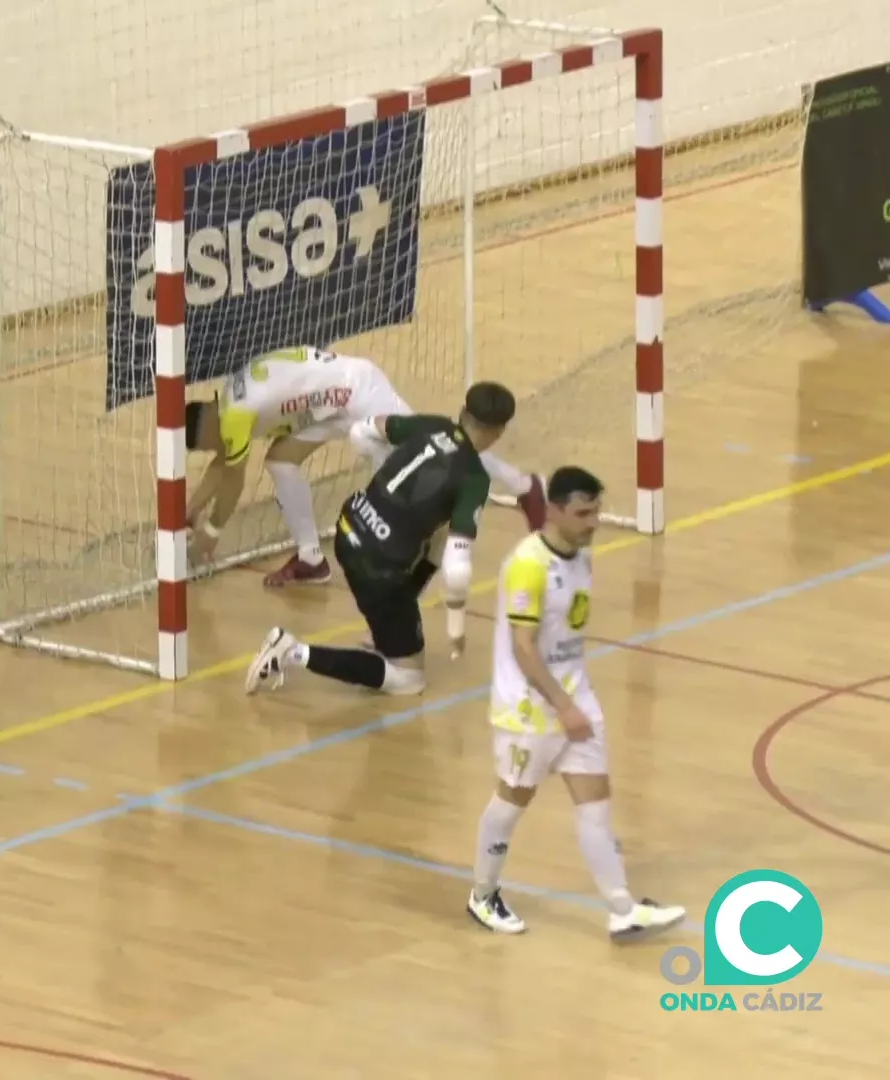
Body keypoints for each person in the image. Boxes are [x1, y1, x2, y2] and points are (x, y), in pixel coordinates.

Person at [460, 466, 686, 939]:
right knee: (513, 799)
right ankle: (482, 895)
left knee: (595, 803)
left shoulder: (581, 557)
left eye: (596, 511)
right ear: (555, 510)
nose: (593, 523)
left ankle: (622, 908)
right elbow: (524, 649)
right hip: (529, 709)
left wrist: (573, 703)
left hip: (575, 699)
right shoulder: (528, 565)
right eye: (583, 514)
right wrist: (563, 706)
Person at [243, 382, 520, 699]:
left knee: (438, 537)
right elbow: (457, 566)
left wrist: (386, 474)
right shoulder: (474, 478)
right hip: (378, 566)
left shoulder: (433, 425)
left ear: (462, 412)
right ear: (499, 432)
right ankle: (293, 652)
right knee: (409, 679)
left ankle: (385, 627)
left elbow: (361, 432)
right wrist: (456, 616)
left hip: (348, 530)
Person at [185, 345, 546, 587]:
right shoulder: (228, 399)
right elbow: (223, 464)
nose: (213, 449)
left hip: (358, 391)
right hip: (327, 406)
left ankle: (525, 486)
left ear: (208, 427)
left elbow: (232, 479)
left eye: (205, 445)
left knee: (443, 445)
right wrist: (191, 510)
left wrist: (211, 532)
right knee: (281, 461)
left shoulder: (236, 418)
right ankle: (311, 560)